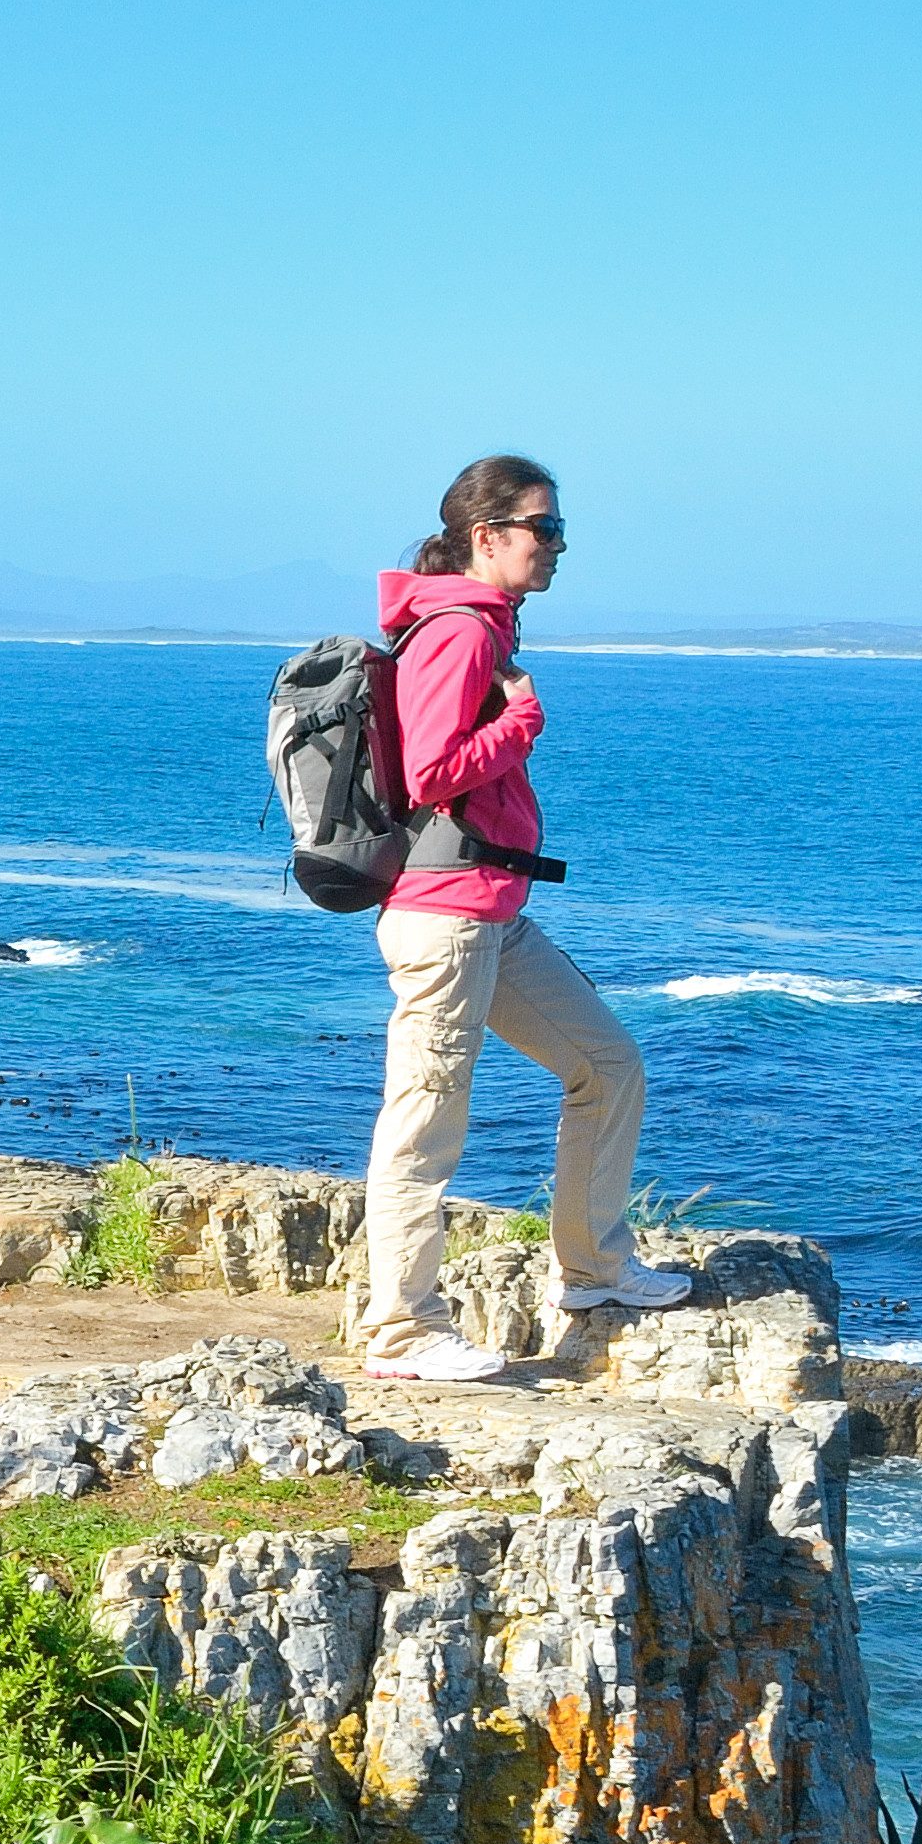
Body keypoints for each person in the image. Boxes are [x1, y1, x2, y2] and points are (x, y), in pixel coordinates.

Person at [355, 454, 691, 1384]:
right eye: (543, 528)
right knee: (424, 1122)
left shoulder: (479, 628)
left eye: (558, 529)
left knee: (608, 1065)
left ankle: (592, 1268)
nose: (558, 545)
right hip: (447, 919)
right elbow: (430, 772)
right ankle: (403, 1332)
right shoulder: (459, 632)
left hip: (490, 914)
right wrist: (523, 721)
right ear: (486, 535)